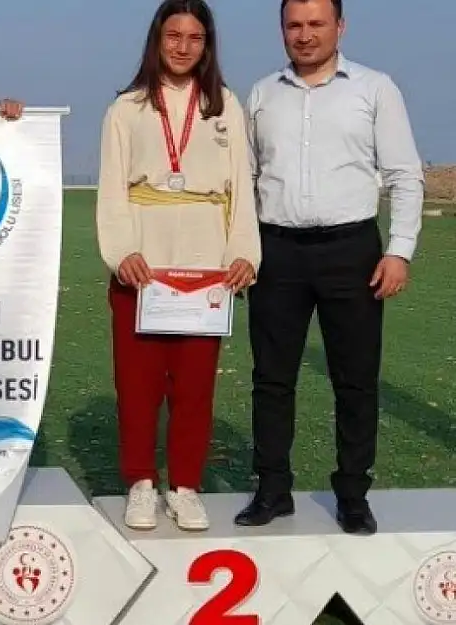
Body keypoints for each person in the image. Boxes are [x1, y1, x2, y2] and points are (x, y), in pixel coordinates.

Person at [235, 0, 423, 535]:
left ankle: (354, 494)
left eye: (316, 24)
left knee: (356, 381)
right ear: (282, 31)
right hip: (278, 251)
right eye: (294, 25)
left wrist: (399, 250)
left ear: (340, 26)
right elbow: (247, 178)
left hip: (353, 251)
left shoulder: (374, 88)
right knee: (272, 380)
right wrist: (245, 250)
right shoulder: (262, 94)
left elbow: (404, 174)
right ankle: (272, 490)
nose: (304, 35)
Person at [96, 0, 260, 532]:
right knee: (138, 384)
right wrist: (122, 253)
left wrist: (243, 255)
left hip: (204, 269)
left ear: (207, 45)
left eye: (194, 37)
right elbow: (112, 189)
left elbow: (241, 185)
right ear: (157, 39)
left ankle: (185, 485)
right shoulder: (127, 108)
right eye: (174, 36)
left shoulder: (225, 107)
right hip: (143, 267)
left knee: (194, 387)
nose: (183, 47)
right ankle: (140, 483)